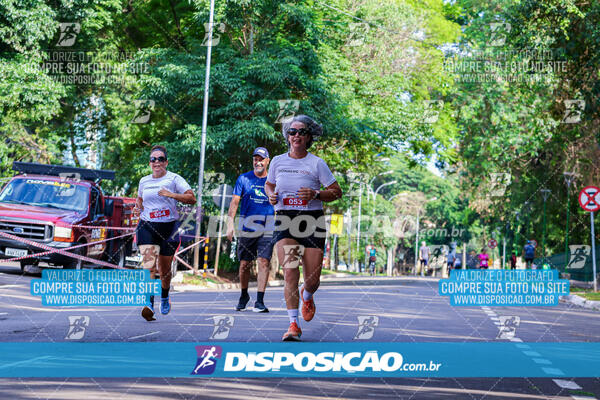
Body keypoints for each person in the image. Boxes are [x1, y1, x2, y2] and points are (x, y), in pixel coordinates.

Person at [264, 115, 343, 341]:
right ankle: (293, 325)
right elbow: (269, 184)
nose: (296, 135)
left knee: (312, 279)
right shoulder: (278, 162)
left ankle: (307, 294)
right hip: (285, 219)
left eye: (301, 132)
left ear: (308, 137)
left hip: (312, 220)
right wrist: (271, 195)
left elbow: (336, 191)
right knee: (289, 270)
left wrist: (316, 194)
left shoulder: (316, 163)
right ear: (287, 137)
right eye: (292, 132)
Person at [135, 145, 196, 321]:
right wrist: (138, 207)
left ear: (166, 162)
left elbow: (191, 198)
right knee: (149, 265)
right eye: (153, 159)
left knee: (164, 270)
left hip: (169, 228)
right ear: (150, 163)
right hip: (147, 225)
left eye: (160, 159)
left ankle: (164, 296)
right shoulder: (144, 181)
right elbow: (140, 199)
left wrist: (171, 194)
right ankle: (148, 303)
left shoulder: (174, 179)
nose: (157, 162)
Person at [226, 147, 274, 313]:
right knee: (245, 263)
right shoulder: (244, 179)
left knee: (263, 261)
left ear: (267, 161)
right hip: (247, 226)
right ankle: (244, 294)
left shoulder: (273, 181)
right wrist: (230, 223)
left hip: (268, 226)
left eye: (261, 159)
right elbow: (234, 202)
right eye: (255, 159)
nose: (258, 162)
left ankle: (259, 300)